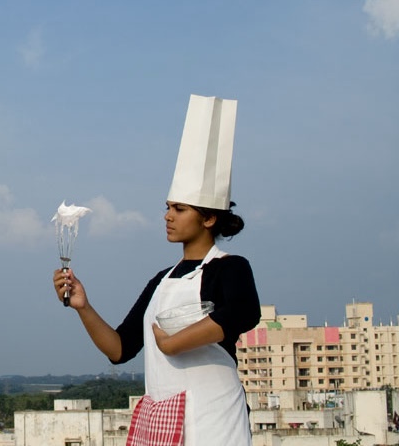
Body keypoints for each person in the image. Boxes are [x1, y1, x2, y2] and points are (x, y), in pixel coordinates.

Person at [52, 94, 261, 446]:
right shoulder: (160, 281)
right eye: (168, 207)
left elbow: (243, 312)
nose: (167, 216)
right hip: (163, 415)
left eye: (179, 209)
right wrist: (83, 307)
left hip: (214, 419)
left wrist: (174, 343)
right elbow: (119, 349)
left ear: (208, 218)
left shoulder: (229, 268)